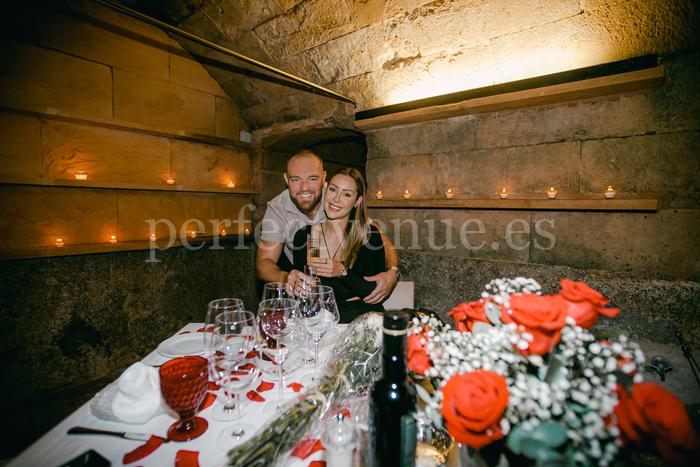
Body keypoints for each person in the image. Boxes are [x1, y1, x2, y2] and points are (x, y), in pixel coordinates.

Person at [255, 150, 399, 304]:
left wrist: (393, 272)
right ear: (286, 179)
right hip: (302, 280)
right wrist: (286, 278)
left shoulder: (335, 196)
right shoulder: (279, 209)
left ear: (324, 178)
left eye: (312, 178)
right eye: (296, 179)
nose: (304, 187)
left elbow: (380, 240)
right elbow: (264, 261)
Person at [289, 168, 388, 322]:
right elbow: (303, 287)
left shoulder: (369, 235)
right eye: (333, 190)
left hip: (361, 317)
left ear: (357, 201)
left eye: (347, 194)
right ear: (325, 190)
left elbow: (374, 293)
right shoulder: (303, 236)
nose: (336, 199)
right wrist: (297, 286)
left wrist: (342, 271)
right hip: (318, 319)